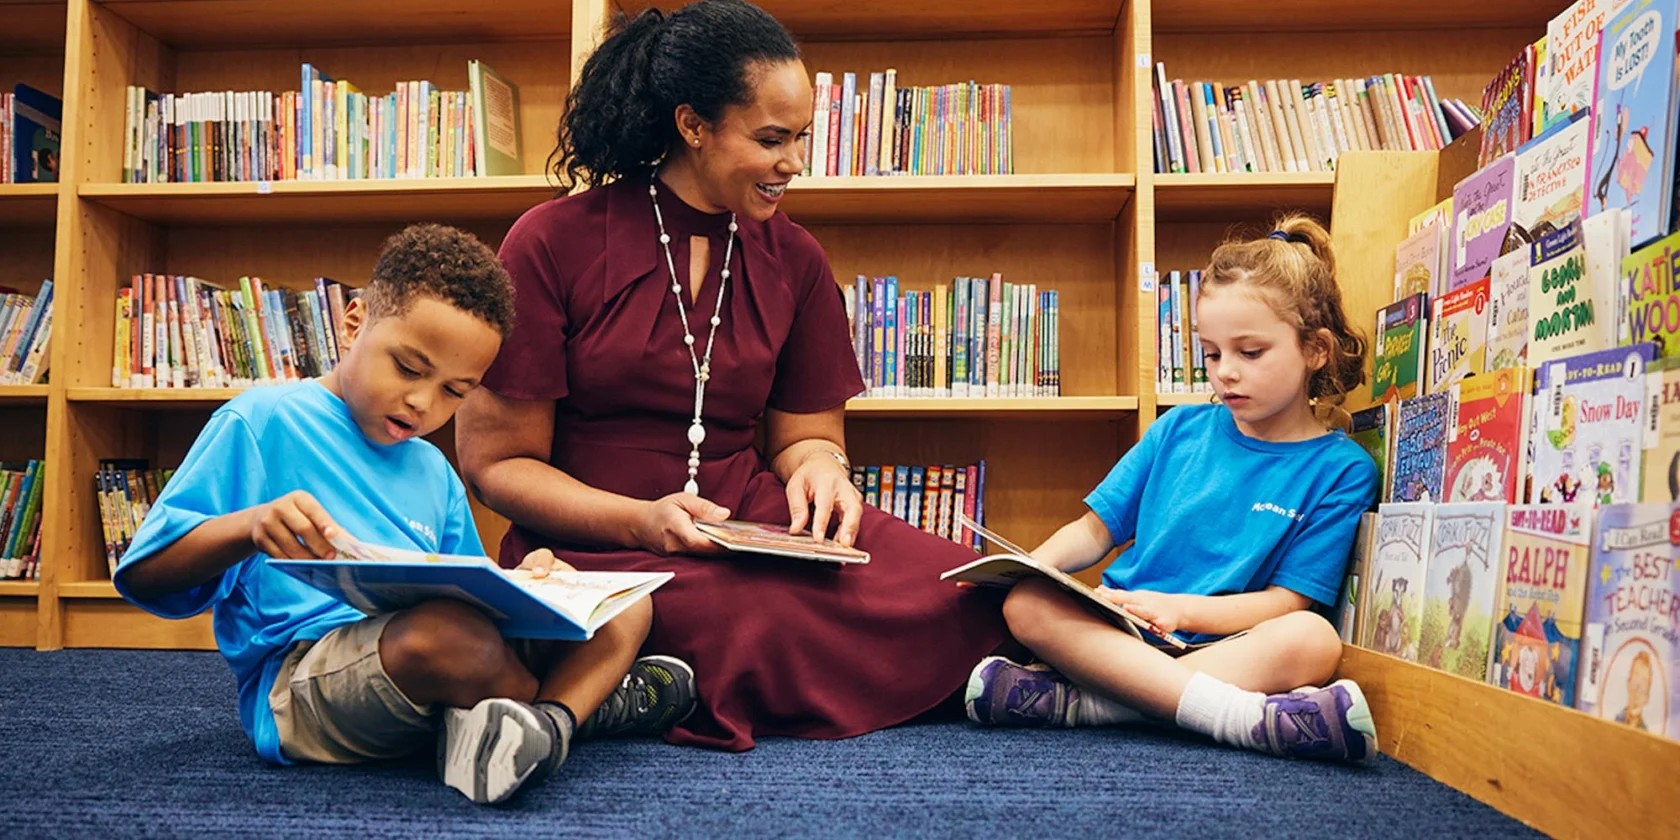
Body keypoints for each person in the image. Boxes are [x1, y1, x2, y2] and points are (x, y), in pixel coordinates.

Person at [455, 0, 1009, 752]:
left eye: (801, 138)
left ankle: (647, 687)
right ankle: (631, 678)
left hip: (750, 521)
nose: (794, 163)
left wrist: (823, 472)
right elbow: (497, 465)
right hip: (597, 535)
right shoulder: (551, 241)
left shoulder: (797, 259)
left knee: (972, 586)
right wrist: (639, 520)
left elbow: (807, 436)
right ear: (693, 126)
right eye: (771, 139)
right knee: (749, 616)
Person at [113, 224, 696, 805]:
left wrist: (533, 585)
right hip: (303, 682)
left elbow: (470, 598)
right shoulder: (263, 420)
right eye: (410, 369)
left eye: (455, 392)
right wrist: (246, 528)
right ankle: (574, 712)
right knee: (444, 640)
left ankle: (543, 725)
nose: (423, 403)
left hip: (443, 661)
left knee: (626, 607)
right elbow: (144, 576)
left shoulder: (432, 470)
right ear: (352, 323)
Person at [964, 216, 1383, 764]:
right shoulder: (1177, 430)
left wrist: (1179, 610)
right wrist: (1032, 567)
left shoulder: (1341, 468)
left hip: (1226, 644)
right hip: (1122, 631)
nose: (1225, 373)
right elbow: (1095, 531)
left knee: (1313, 639)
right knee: (1028, 604)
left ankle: (1098, 704)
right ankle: (1241, 718)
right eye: (1212, 354)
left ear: (1316, 350)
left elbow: (1286, 602)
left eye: (1249, 353)